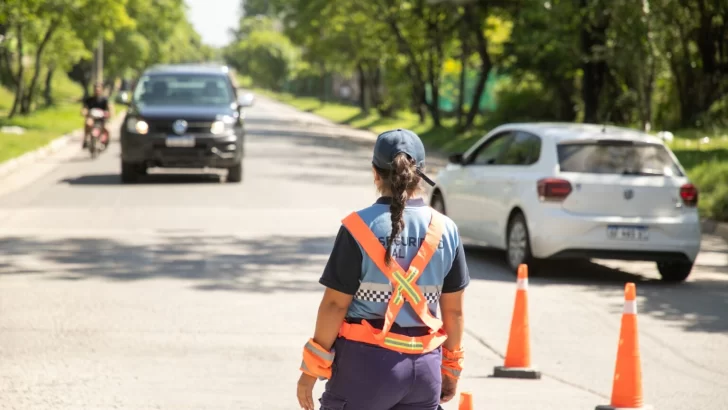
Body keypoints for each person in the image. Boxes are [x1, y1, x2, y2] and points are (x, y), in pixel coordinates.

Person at [297, 129, 470, 410]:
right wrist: (451, 369)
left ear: (375, 174)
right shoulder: (445, 229)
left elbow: (334, 305)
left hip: (364, 369)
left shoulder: (357, 227)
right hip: (425, 370)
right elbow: (454, 311)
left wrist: (311, 370)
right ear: (421, 173)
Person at [81, 83, 113, 148]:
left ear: (101, 90)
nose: (97, 90)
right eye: (96, 89)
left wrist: (109, 113)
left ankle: (106, 141)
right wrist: (84, 112)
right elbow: (85, 108)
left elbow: (110, 108)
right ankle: (86, 139)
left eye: (98, 89)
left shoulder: (105, 100)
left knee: (107, 129)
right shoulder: (89, 100)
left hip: (102, 119)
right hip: (92, 118)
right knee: (88, 123)